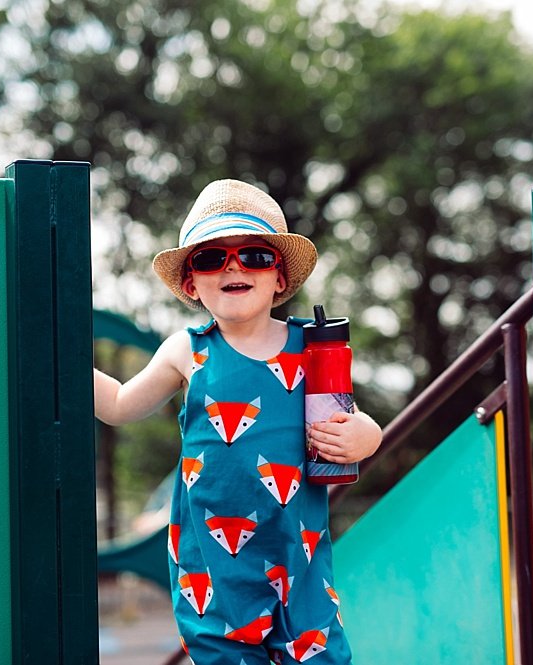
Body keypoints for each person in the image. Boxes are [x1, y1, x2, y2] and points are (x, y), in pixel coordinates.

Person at [94, 179, 382, 664]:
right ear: (192, 284)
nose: (233, 266)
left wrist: (364, 436)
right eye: (211, 258)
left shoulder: (314, 347)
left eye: (254, 255)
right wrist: (60, 356)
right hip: (213, 568)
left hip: (298, 557)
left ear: (279, 279)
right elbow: (121, 404)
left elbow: (352, 422)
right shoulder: (187, 350)